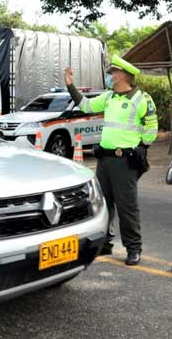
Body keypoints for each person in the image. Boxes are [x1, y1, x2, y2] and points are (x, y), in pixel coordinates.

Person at [65, 56, 158, 266]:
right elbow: (86, 105)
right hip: (105, 159)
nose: (110, 76)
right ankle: (105, 243)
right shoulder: (109, 97)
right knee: (104, 204)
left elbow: (151, 128)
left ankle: (133, 248)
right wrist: (70, 86)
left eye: (113, 73)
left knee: (127, 206)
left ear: (122, 75)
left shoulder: (141, 99)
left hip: (125, 161)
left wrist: (142, 147)